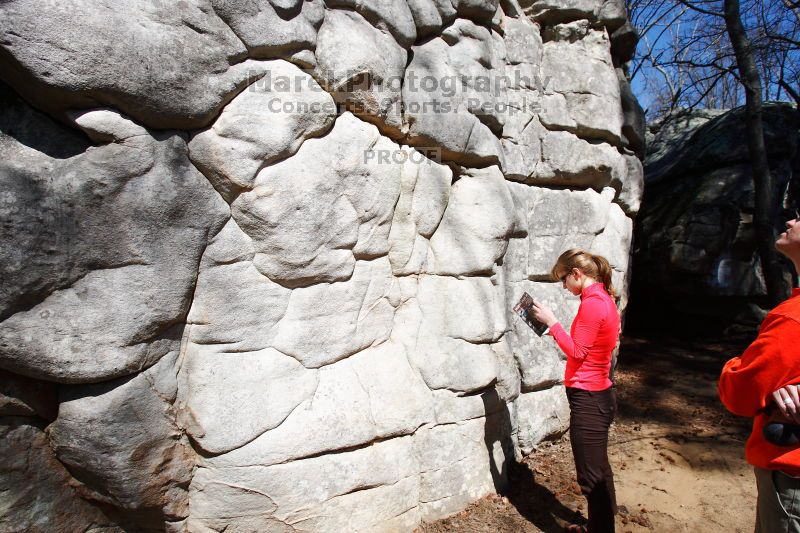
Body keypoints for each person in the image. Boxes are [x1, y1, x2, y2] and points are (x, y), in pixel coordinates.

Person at [529, 248, 621, 533]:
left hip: (590, 399)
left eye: (564, 279)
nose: (563, 286)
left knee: (590, 476)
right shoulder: (602, 298)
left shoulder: (594, 304)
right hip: (598, 395)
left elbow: (577, 351)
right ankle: (602, 523)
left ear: (577, 274)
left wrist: (552, 322)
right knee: (599, 468)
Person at [719, 212, 800, 532]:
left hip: (791, 477)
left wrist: (733, 366)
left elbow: (741, 393)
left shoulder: (794, 319)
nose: (792, 220)